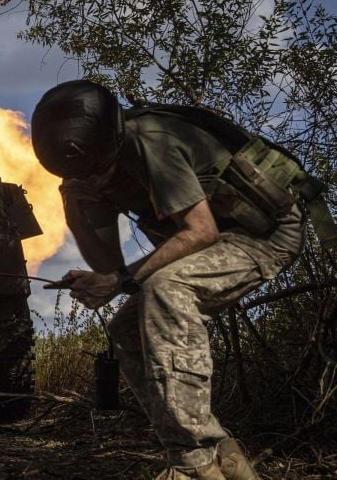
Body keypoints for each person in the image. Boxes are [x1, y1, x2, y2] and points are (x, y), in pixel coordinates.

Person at [31, 80, 305, 480]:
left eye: (97, 172)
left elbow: (200, 232)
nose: (92, 180)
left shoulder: (150, 142)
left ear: (111, 143)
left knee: (167, 288)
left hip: (262, 236)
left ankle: (193, 465)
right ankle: (220, 453)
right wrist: (76, 207)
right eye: (82, 175)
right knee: (125, 328)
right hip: (213, 240)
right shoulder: (87, 173)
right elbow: (109, 265)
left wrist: (122, 280)